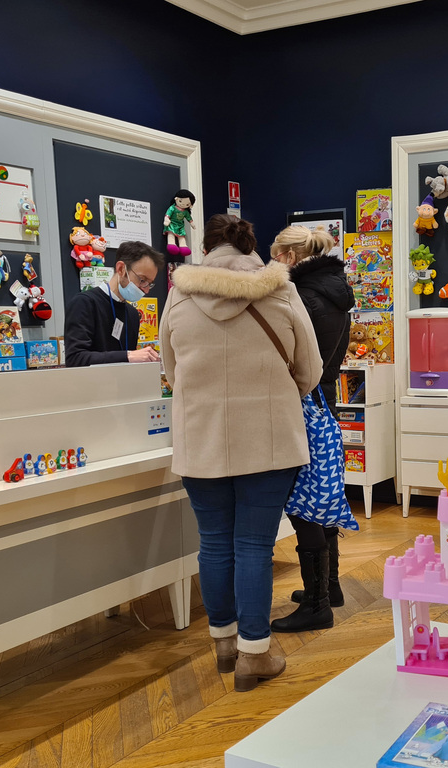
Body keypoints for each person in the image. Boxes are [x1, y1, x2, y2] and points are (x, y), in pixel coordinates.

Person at [160, 214, 321, 692]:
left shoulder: (179, 295)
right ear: (253, 248)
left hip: (200, 436)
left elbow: (171, 371)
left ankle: (224, 646)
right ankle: (256, 653)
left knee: (214, 542)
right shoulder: (282, 291)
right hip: (270, 439)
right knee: (254, 543)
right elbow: (309, 370)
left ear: (206, 248)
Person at [267, 225, 354, 633]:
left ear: (288, 255)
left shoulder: (301, 295)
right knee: (322, 498)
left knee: (303, 505)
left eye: (275, 256)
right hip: (326, 400)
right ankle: (330, 586)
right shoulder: (334, 290)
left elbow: (293, 358)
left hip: (301, 403)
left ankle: (317, 604)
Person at [64, 241, 164, 367]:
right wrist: (128, 356)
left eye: (149, 283)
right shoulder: (85, 303)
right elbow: (75, 358)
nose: (146, 290)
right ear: (121, 269)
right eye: (142, 280)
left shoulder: (132, 314)